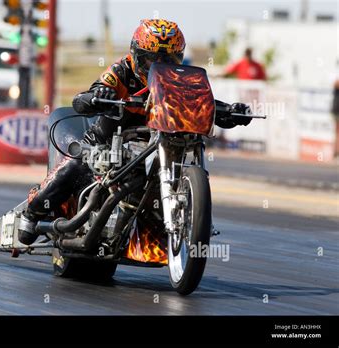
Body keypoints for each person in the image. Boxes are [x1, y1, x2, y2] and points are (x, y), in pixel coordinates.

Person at [18, 19, 252, 245]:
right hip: (106, 146)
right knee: (74, 167)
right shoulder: (121, 70)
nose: (160, 65)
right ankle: (33, 211)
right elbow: (89, 95)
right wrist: (101, 96)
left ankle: (190, 217)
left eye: (168, 59)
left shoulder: (179, 80)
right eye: (152, 60)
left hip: (157, 143)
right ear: (137, 54)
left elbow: (200, 101)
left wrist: (229, 110)